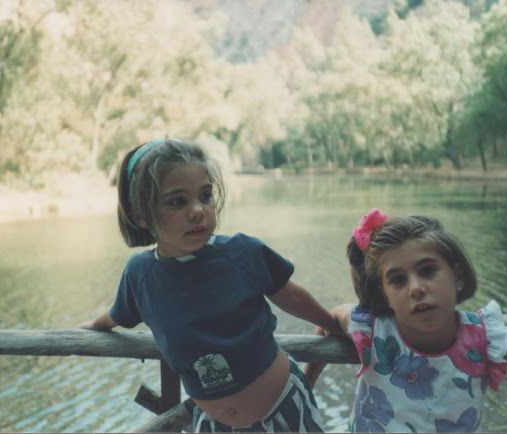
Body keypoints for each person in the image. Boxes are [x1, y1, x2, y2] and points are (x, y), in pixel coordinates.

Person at [79, 137, 340, 432]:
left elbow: (291, 296)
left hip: (285, 408)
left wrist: (331, 323)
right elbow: (118, 314)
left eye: (205, 196)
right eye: (177, 201)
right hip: (215, 425)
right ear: (141, 215)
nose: (198, 210)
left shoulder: (242, 253)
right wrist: (93, 327)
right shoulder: (141, 275)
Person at [305, 208, 507, 433]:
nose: (416, 288)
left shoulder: (484, 335)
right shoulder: (372, 330)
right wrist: (306, 386)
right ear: (384, 294)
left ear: (457, 275)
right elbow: (329, 321)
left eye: (427, 271)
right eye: (398, 280)